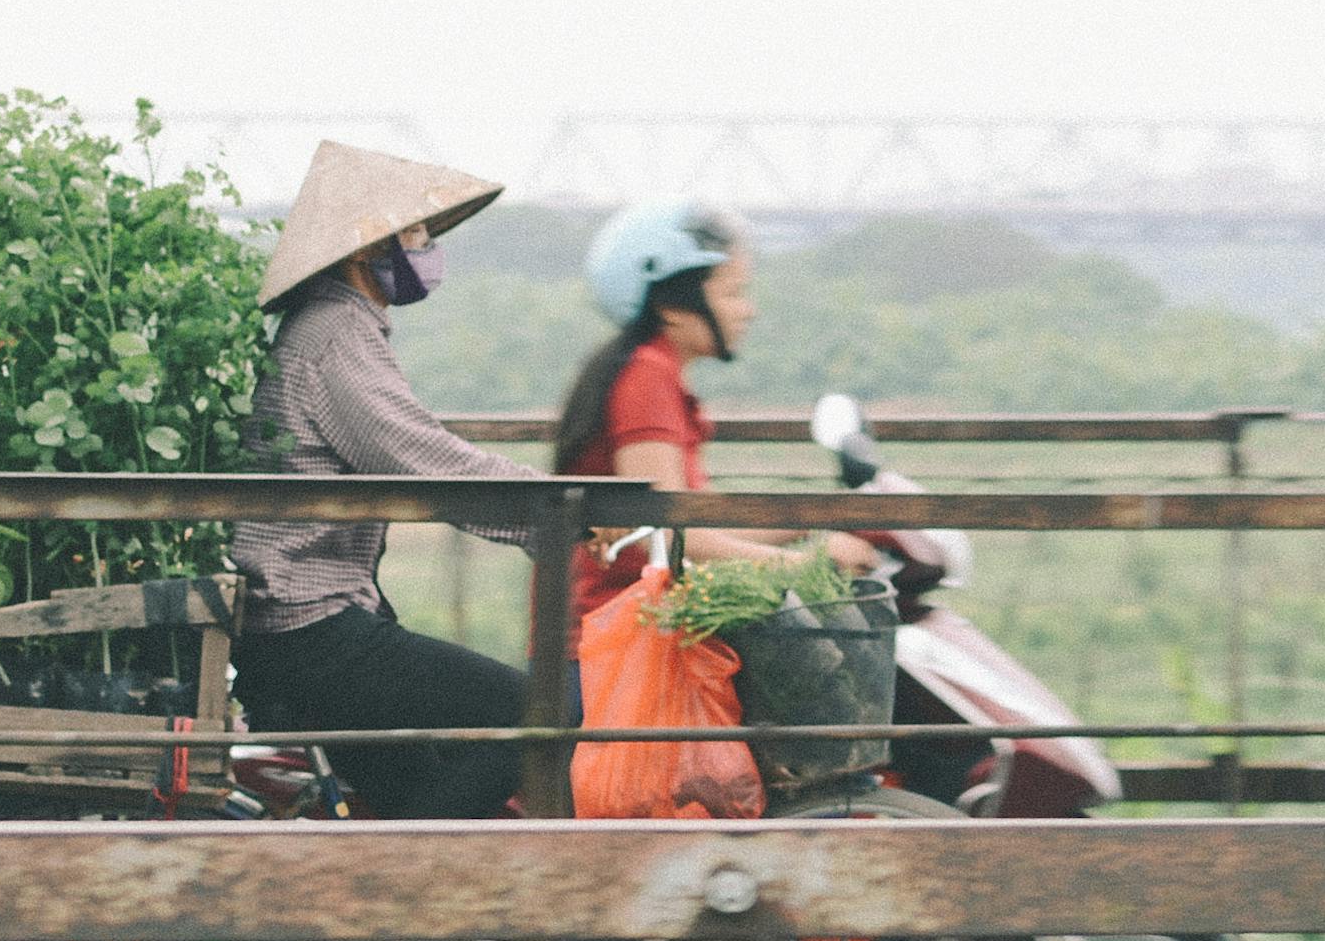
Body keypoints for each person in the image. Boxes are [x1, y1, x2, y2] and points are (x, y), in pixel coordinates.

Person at [228, 139, 554, 819]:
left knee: (410, 788)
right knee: (539, 713)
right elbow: (424, 459)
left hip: (311, 623)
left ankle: (379, 906)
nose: (427, 246)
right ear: (363, 248)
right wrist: (551, 513)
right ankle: (397, 888)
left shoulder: (339, 327)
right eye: (414, 233)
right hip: (308, 629)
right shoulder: (335, 335)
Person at [552, 200, 879, 626]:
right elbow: (666, 532)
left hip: (644, 630)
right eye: (732, 293)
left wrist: (811, 518)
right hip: (615, 645)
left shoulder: (654, 370)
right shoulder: (646, 378)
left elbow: (698, 526)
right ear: (671, 307)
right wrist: (806, 564)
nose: (748, 310)